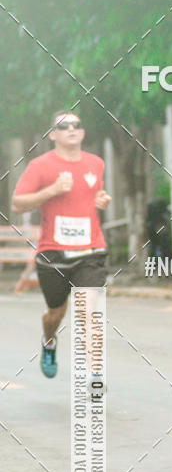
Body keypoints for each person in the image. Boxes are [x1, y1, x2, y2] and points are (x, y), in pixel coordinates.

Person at [12, 110, 111, 379]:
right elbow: (17, 203)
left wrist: (100, 200)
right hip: (52, 252)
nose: (71, 129)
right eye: (63, 125)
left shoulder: (96, 163)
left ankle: (94, 377)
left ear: (82, 132)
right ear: (53, 134)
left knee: (89, 310)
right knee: (55, 313)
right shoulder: (40, 166)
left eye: (76, 124)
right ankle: (49, 340)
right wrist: (51, 191)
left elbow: (90, 197)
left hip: (90, 249)